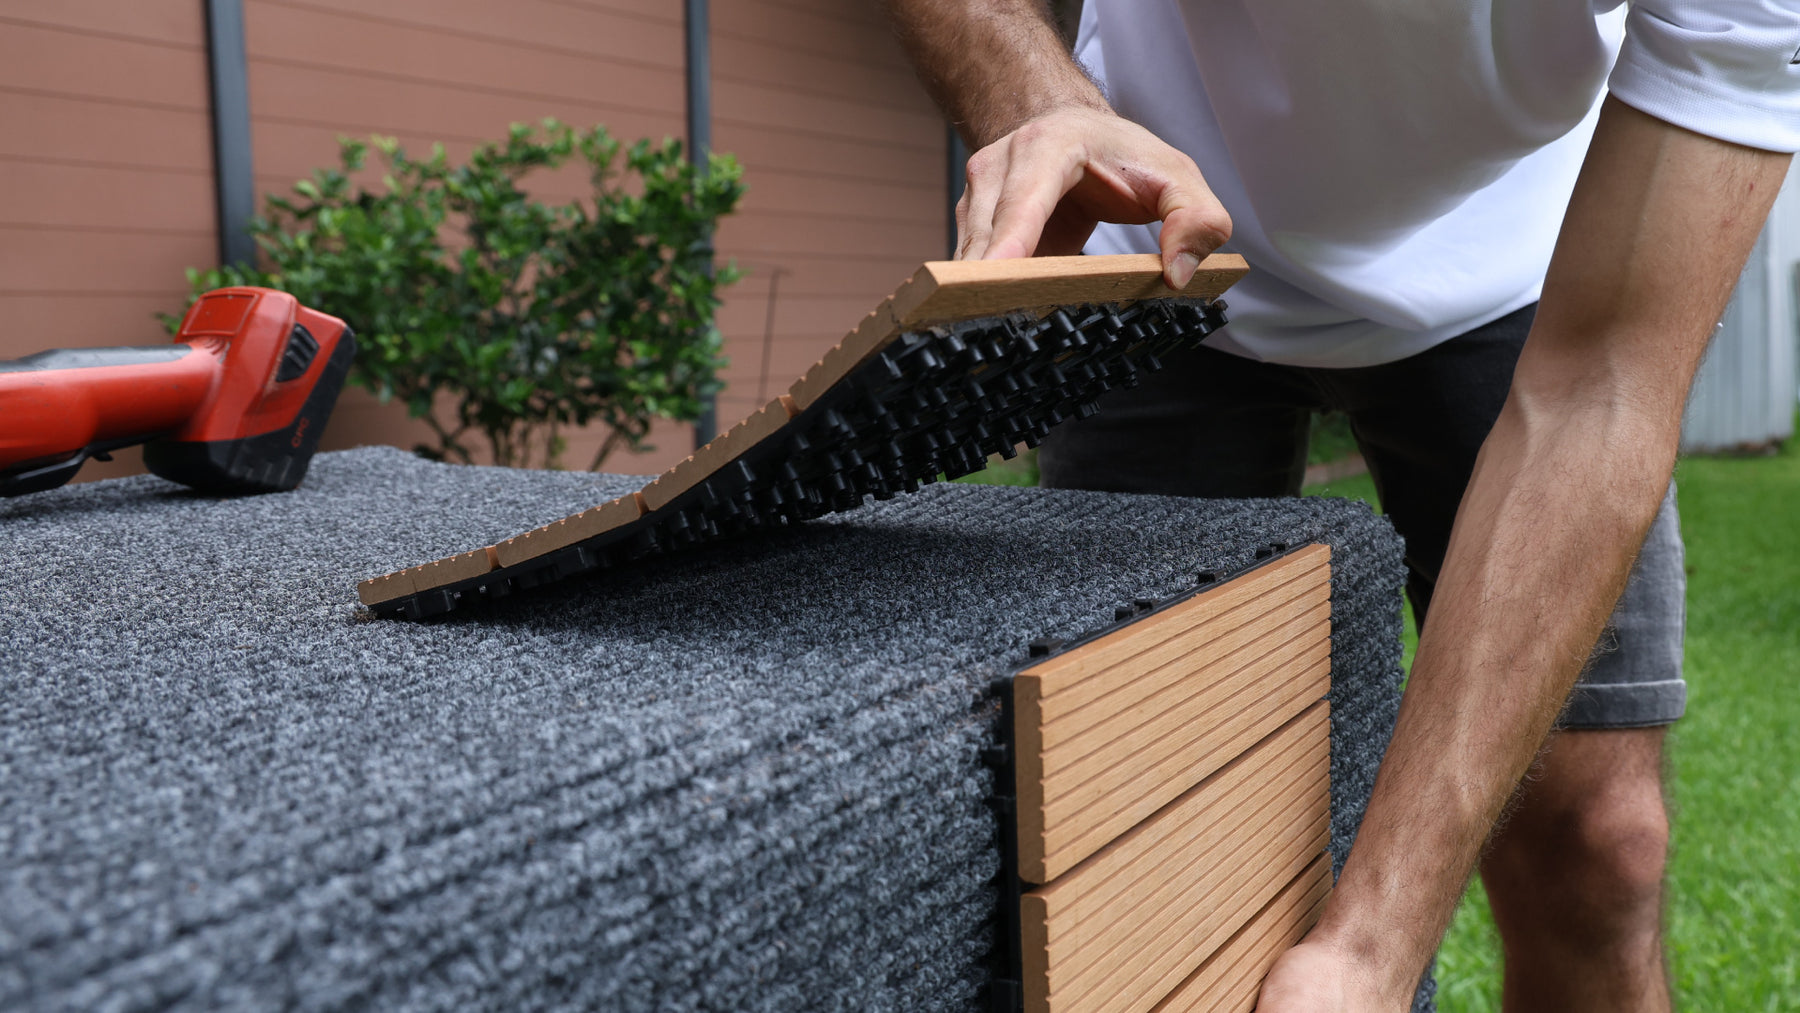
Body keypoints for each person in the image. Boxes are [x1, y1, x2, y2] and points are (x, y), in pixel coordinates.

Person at [878, 1, 1798, 1009]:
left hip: (1531, 258)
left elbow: (1604, 389)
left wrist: (1371, 945)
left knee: (1597, 847)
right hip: (1150, 219)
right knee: (1122, 829)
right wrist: (1032, 99)